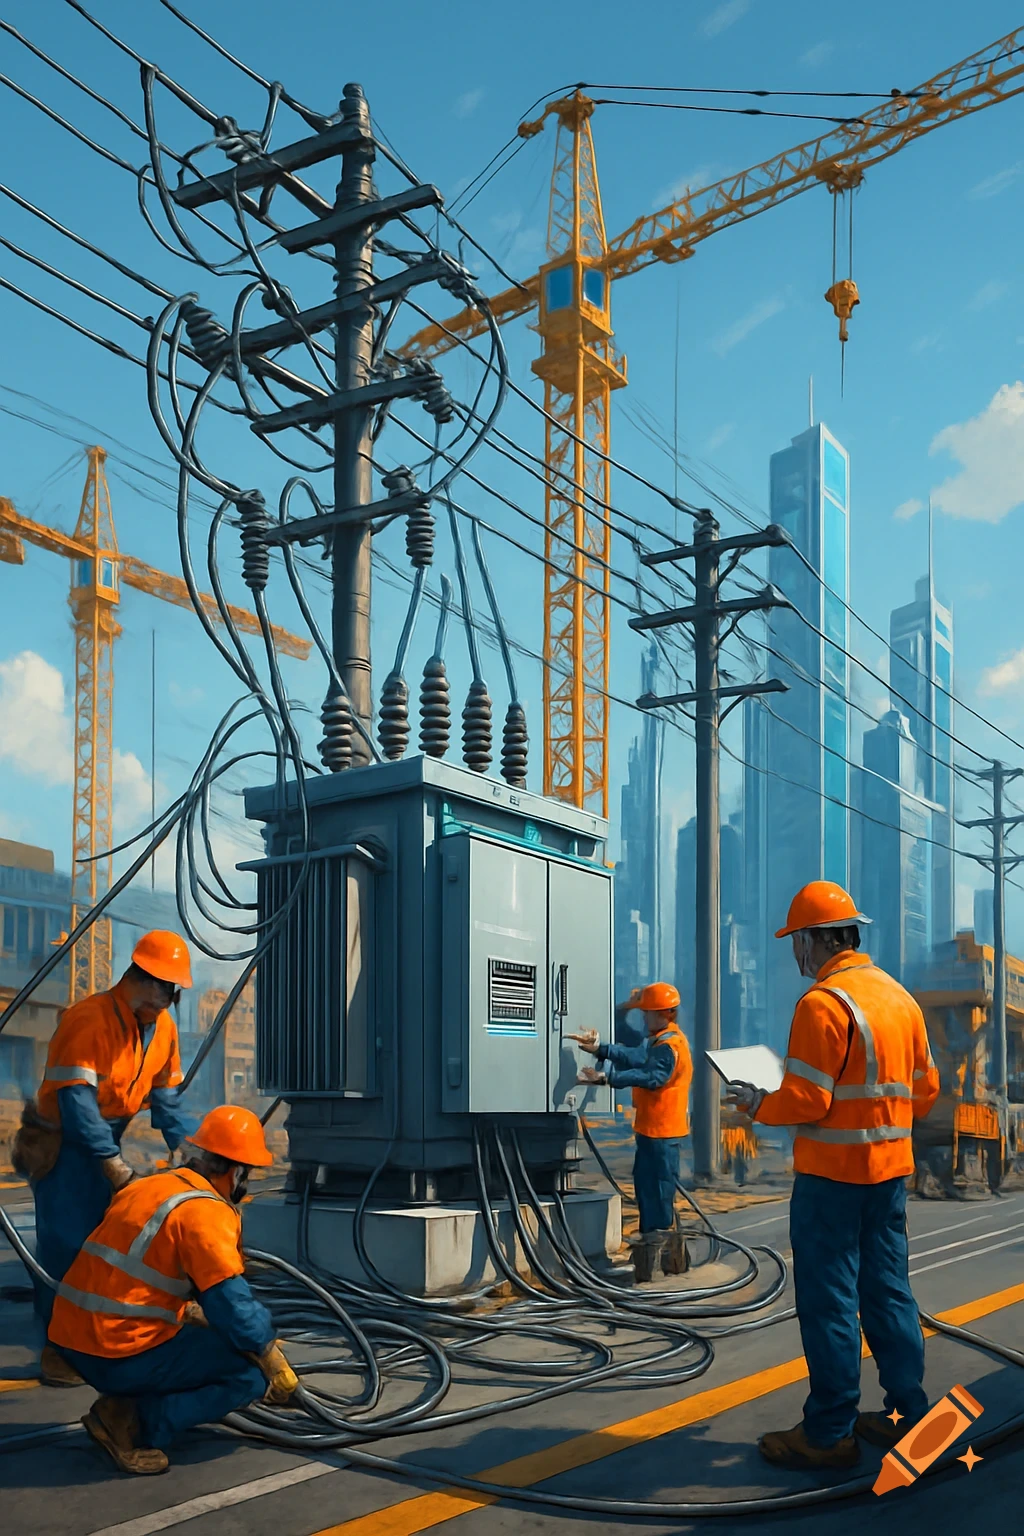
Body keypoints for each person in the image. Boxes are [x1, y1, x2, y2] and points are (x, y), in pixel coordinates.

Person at [727, 880, 939, 1472]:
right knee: (889, 1292)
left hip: (832, 1183)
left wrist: (759, 1102)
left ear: (818, 940)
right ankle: (907, 1415)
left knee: (830, 1304)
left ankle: (829, 1433)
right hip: (890, 1176)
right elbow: (926, 1092)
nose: (796, 954)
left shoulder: (824, 1004)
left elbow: (808, 1101)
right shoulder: (900, 1000)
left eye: (797, 941)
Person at [45, 1104, 296, 1476]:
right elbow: (235, 1313)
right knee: (247, 1375)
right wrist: (268, 1355)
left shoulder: (150, 1185)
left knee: (202, 1337)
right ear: (239, 1171)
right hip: (116, 1353)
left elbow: (144, 1275)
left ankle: (126, 1399)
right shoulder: (205, 1214)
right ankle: (133, 1424)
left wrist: (191, 1312)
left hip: (70, 1338)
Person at [12, 931, 194, 1388]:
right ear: (144, 979)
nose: (170, 1001)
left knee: (106, 1244)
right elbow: (76, 1101)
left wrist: (183, 1146)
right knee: (66, 1243)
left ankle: (94, 1336)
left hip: (106, 1134)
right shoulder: (89, 1018)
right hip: (64, 1142)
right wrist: (110, 1161)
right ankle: (57, 1349)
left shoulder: (162, 1027)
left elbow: (165, 1094)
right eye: (167, 989)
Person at [569, 981, 693, 1283]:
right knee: (647, 1191)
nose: (644, 1018)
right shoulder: (659, 1040)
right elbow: (637, 1057)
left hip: (663, 1133)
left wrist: (605, 1078)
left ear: (664, 1014)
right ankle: (659, 1262)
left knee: (660, 1195)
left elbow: (652, 1076)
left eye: (647, 1013)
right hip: (651, 1131)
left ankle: (661, 1265)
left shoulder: (670, 1047)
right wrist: (601, 1049)